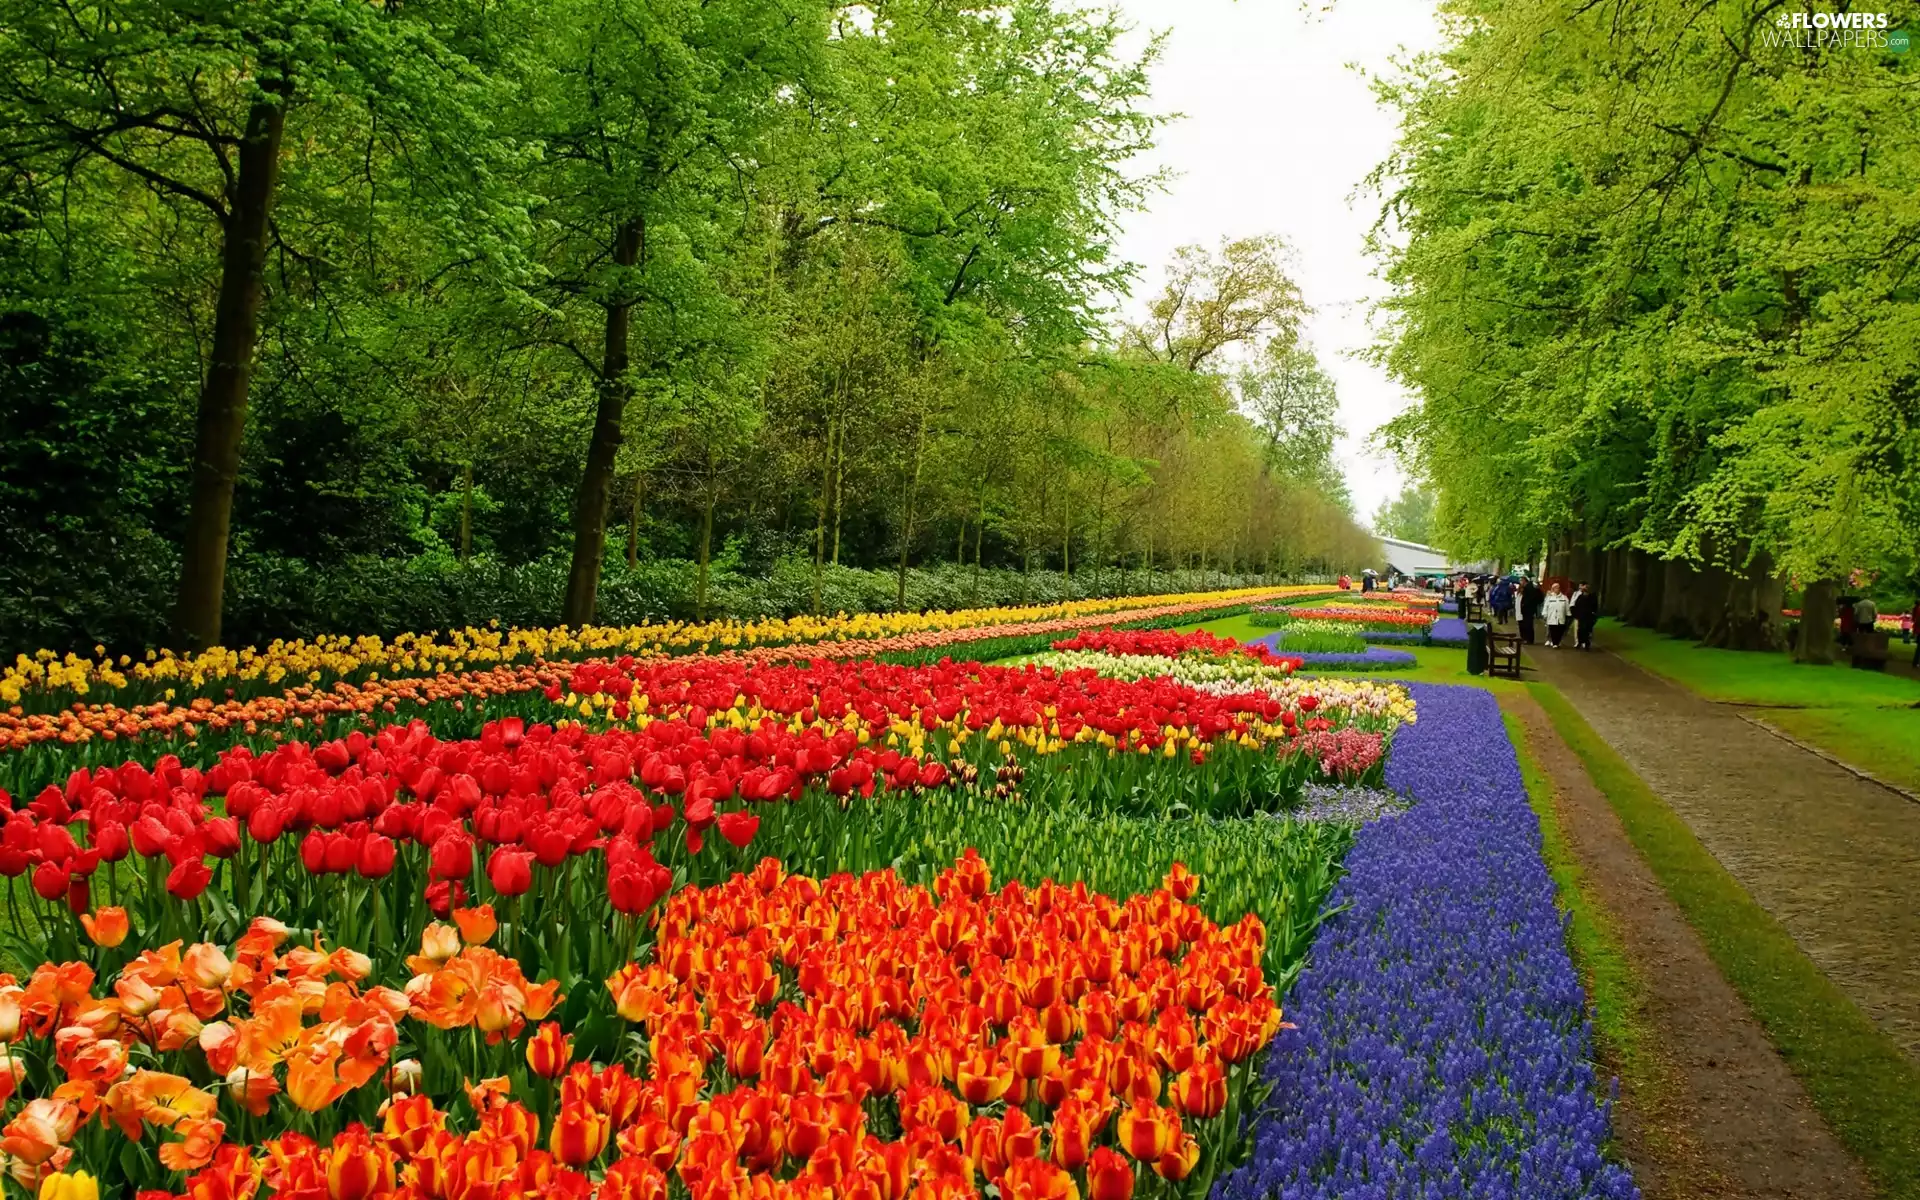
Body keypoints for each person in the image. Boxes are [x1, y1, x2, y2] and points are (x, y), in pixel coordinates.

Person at [1571, 581, 1599, 650]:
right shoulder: (1579, 596)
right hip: (1581, 616)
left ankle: (1586, 643)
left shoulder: (1592, 597)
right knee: (1580, 630)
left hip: (1588, 617)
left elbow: (1594, 606)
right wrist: (1575, 613)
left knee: (1587, 630)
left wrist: (1593, 613)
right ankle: (1579, 642)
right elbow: (1576, 605)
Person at [1543, 582, 1571, 648]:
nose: (1556, 589)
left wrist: (1568, 614)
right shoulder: (1549, 597)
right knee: (1552, 630)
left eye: (1558, 588)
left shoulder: (1564, 597)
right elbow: (1546, 606)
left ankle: (1557, 642)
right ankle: (1555, 643)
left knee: (1560, 631)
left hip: (1561, 617)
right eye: (1555, 588)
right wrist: (1545, 614)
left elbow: (1567, 607)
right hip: (1551, 617)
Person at [1517, 578, 1540, 644]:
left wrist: (1524, 605)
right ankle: (1525, 638)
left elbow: (1530, 599)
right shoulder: (1524, 589)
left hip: (1528, 610)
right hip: (1523, 611)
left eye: (1521, 580)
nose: (1520, 582)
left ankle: (1529, 639)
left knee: (1528, 625)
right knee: (1524, 625)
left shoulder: (1529, 589)